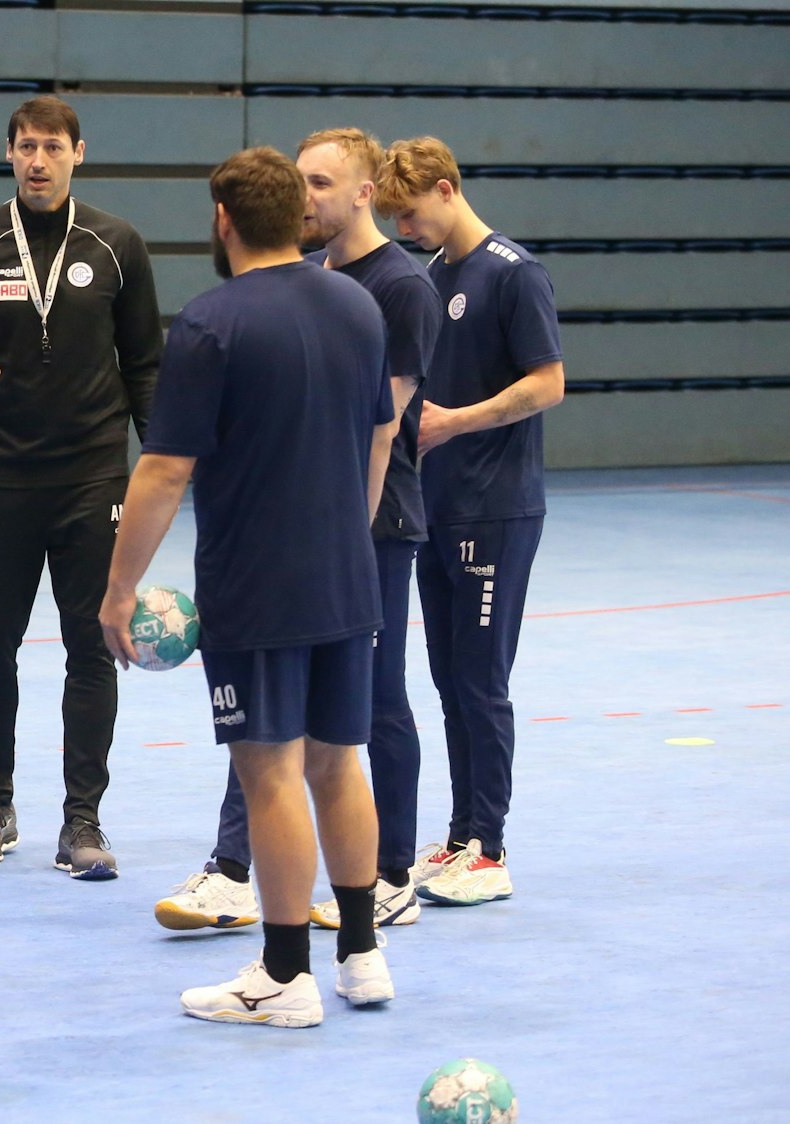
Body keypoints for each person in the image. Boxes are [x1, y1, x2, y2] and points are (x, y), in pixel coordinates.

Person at [99, 146, 398, 1028]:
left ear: (223, 219)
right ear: (292, 217)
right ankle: (362, 957)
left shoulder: (210, 323)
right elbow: (381, 436)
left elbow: (161, 472)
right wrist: (348, 530)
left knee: (268, 773)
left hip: (258, 586)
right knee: (339, 762)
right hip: (348, 577)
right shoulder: (359, 304)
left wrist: (120, 591)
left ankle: (283, 974)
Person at [153, 127, 441, 934]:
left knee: (360, 718)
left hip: (365, 525)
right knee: (274, 734)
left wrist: (349, 525)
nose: (308, 197)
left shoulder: (394, 289)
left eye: (323, 183)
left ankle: (390, 874)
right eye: (300, 182)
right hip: (308, 534)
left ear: (363, 192)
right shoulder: (310, 281)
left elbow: (384, 431)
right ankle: (236, 867)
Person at [0, 95, 163, 879]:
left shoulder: (118, 244)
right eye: (26, 147)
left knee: (91, 646)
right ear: (9, 154)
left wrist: (163, 459)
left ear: (77, 153)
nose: (38, 160)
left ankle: (82, 820)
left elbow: (144, 367)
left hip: (94, 477)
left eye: (52, 148)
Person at [375, 136, 565, 906]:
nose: (405, 228)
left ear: (447, 189)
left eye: (411, 213)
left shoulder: (515, 275)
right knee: (449, 678)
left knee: (481, 681)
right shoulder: (430, 277)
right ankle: (460, 838)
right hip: (437, 509)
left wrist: (457, 423)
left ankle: (490, 847)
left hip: (497, 507)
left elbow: (548, 383)